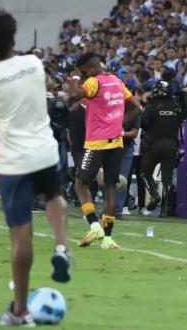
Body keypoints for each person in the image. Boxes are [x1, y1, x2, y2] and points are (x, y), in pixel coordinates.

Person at [0, 9, 71, 326]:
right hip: (44, 151)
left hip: (14, 162)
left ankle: (20, 311)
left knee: (20, 233)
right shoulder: (34, 63)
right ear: (14, 36)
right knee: (54, 195)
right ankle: (61, 245)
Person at [67, 53, 140, 250]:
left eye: (82, 72)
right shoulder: (117, 81)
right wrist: (118, 125)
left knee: (80, 184)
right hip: (116, 142)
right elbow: (136, 108)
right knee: (110, 186)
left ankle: (94, 225)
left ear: (88, 69)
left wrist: (74, 78)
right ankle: (108, 239)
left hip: (96, 143)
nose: (81, 75)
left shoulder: (94, 82)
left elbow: (73, 94)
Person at [139, 80, 183, 216]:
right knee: (167, 178)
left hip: (153, 144)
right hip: (171, 145)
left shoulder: (151, 106)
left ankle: (154, 194)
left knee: (144, 172)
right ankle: (164, 208)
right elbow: (180, 124)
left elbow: (143, 123)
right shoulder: (176, 107)